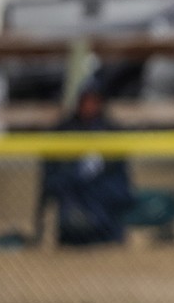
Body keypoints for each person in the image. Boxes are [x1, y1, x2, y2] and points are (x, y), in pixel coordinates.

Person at [38, 80, 134, 246]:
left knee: (107, 190)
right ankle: (76, 230)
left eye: (94, 102)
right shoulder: (63, 130)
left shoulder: (111, 130)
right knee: (71, 189)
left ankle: (104, 231)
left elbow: (121, 174)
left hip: (102, 188)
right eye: (85, 102)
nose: (89, 107)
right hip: (73, 187)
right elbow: (52, 172)